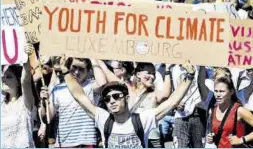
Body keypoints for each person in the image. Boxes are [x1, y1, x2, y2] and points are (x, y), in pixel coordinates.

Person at [62, 58, 196, 148]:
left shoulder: (143, 119)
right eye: (107, 99)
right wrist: (65, 72)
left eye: (115, 96)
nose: (111, 101)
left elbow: (171, 102)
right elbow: (79, 96)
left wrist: (189, 76)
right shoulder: (103, 118)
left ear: (126, 98)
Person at [40, 58, 107, 148]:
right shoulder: (57, 89)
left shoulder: (91, 86)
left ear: (88, 71)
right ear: (68, 67)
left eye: (81, 69)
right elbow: (47, 119)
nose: (76, 72)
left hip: (86, 143)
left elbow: (102, 84)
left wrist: (92, 57)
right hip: (64, 144)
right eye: (74, 67)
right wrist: (44, 103)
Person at [1, 45, 35, 148]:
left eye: (9, 76)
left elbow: (26, 81)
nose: (4, 79)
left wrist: (26, 58)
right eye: (3, 76)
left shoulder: (24, 103)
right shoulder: (2, 105)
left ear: (18, 82)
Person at [206, 76, 253, 148]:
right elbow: (220, 133)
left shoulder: (239, 110)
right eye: (216, 91)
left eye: (222, 91)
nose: (218, 95)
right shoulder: (212, 111)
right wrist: (212, 138)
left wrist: (242, 140)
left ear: (231, 92)